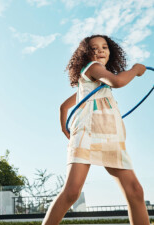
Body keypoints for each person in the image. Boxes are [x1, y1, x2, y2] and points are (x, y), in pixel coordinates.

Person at [42, 35, 150, 225]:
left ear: (111, 52)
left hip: (111, 136)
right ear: (86, 54)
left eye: (104, 47)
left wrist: (64, 128)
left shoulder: (94, 85)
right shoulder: (93, 69)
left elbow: (64, 107)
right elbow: (117, 81)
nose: (100, 51)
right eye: (94, 48)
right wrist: (135, 70)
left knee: (135, 191)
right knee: (72, 192)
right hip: (88, 133)